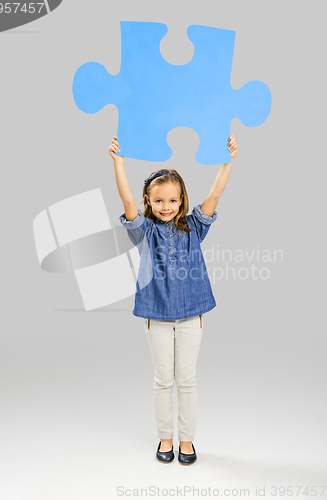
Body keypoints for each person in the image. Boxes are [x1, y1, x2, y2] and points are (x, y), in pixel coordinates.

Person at [109, 134, 238, 465]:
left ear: (181, 200)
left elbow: (215, 193)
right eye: (158, 201)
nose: (166, 207)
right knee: (163, 379)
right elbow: (126, 202)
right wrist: (118, 163)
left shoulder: (195, 227)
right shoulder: (145, 232)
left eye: (172, 201)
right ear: (149, 202)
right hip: (157, 315)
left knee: (187, 379)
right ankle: (165, 438)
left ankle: (187, 442)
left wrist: (228, 161)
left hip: (191, 314)